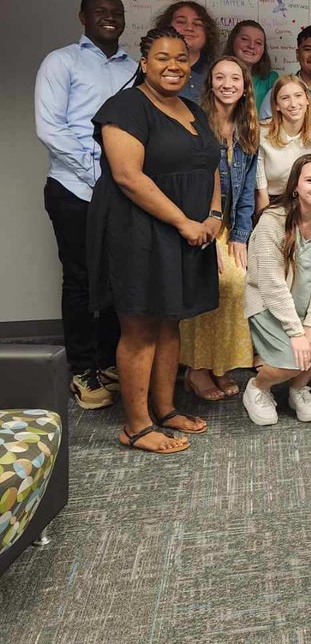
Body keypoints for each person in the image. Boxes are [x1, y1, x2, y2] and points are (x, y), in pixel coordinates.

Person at [87, 27, 221, 454]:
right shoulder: (125, 107)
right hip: (139, 230)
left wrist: (214, 215)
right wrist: (184, 221)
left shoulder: (192, 110)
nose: (173, 66)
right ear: (144, 63)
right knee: (141, 326)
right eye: (163, 58)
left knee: (170, 320)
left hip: (188, 230)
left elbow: (210, 165)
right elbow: (128, 176)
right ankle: (137, 425)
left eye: (181, 58)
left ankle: (165, 409)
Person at [35, 0, 138, 409]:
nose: (110, 18)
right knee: (81, 280)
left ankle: (109, 360)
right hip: (74, 188)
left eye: (117, 13)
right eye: (101, 12)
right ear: (83, 16)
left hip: (122, 190)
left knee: (118, 277)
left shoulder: (134, 68)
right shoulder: (61, 62)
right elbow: (51, 128)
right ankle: (81, 370)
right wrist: (98, 174)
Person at [180, 55, 259, 402]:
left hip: (230, 225)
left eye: (235, 79)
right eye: (220, 77)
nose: (228, 84)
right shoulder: (196, 124)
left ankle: (221, 365)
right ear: (210, 83)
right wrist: (208, 235)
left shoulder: (247, 130)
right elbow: (190, 186)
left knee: (238, 283)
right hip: (198, 222)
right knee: (210, 282)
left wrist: (240, 237)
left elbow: (247, 194)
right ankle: (195, 370)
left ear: (245, 88)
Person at [242, 154, 311, 426]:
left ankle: (297, 389)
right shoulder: (272, 221)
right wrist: (296, 332)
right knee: (292, 361)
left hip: (307, 302)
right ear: (295, 185)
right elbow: (271, 283)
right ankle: (258, 388)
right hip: (269, 302)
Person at [255, 74, 311, 211]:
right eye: (285, 98)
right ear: (276, 105)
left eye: (298, 96)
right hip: (272, 202)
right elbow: (261, 192)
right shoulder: (261, 134)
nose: (293, 104)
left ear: (307, 100)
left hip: (310, 203)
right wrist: (266, 222)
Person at [154, 0, 218, 103]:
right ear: (166, 27)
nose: (189, 28)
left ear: (207, 33)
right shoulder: (151, 69)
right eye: (181, 22)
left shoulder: (218, 71)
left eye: (197, 24)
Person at [224, 20, 280, 114]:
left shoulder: (271, 79)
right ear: (232, 41)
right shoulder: (217, 76)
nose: (251, 46)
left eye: (258, 43)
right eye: (245, 39)